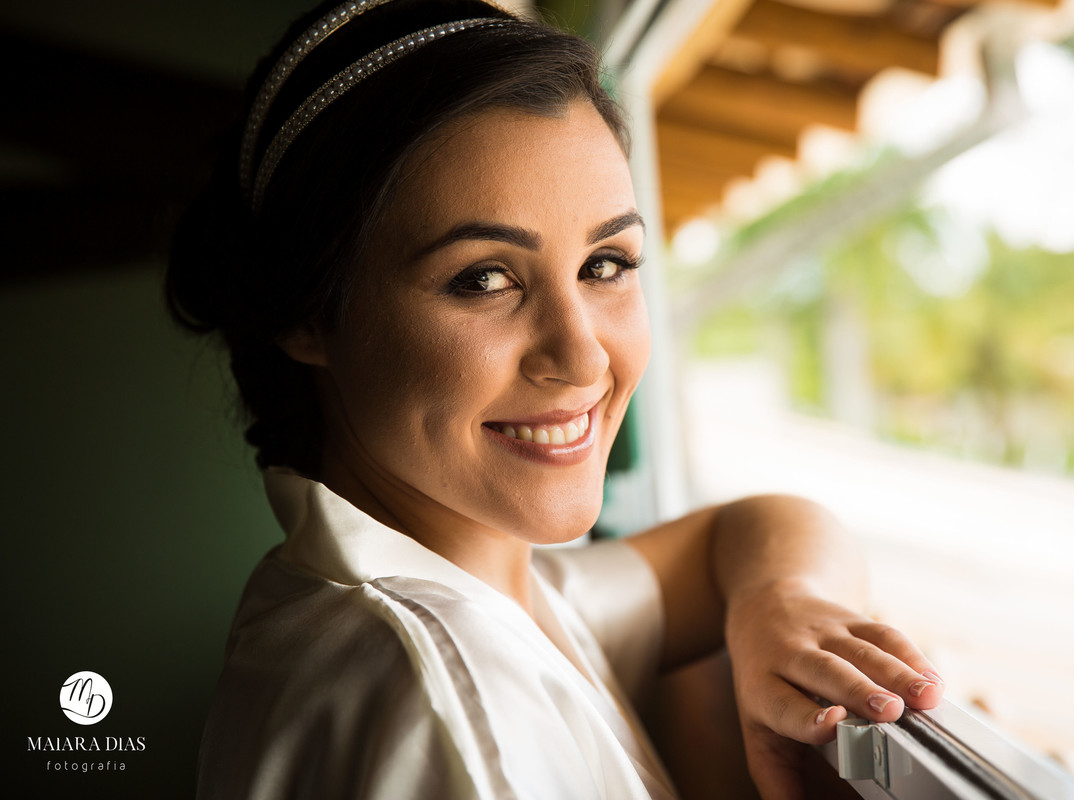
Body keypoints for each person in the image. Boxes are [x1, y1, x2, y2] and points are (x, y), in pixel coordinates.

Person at [167, 1, 944, 797]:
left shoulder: (484, 584)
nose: (582, 356)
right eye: (485, 279)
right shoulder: (456, 713)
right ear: (306, 311)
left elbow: (748, 531)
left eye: (605, 264)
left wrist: (781, 602)